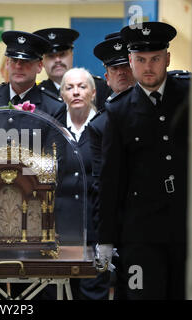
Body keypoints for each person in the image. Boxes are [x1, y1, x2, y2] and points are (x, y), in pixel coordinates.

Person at [96, 22, 190, 299]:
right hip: (140, 232)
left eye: (155, 59)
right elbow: (111, 179)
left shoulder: (187, 96)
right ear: (130, 61)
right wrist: (105, 239)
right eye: (140, 60)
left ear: (168, 59)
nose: (148, 67)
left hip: (185, 228)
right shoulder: (119, 109)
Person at [41, 67, 109, 300]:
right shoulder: (52, 128)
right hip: (58, 228)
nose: (76, 92)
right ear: (62, 95)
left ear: (93, 92)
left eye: (82, 86)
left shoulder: (104, 125)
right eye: (69, 88)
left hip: (94, 225)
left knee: (93, 291)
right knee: (56, 291)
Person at [89, 32, 136, 299]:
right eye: (114, 69)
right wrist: (105, 236)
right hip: (122, 221)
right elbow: (102, 183)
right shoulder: (100, 125)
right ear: (106, 77)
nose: (122, 73)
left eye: (126, 66)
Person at [0, 31, 64, 121]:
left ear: (39, 66)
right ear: (7, 63)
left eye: (26, 61)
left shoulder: (53, 108)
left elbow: (58, 142)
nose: (18, 66)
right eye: (14, 60)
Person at [33, 28, 112, 110]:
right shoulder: (38, 94)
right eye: (51, 56)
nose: (57, 60)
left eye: (62, 54)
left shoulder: (99, 87)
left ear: (72, 55)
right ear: (42, 61)